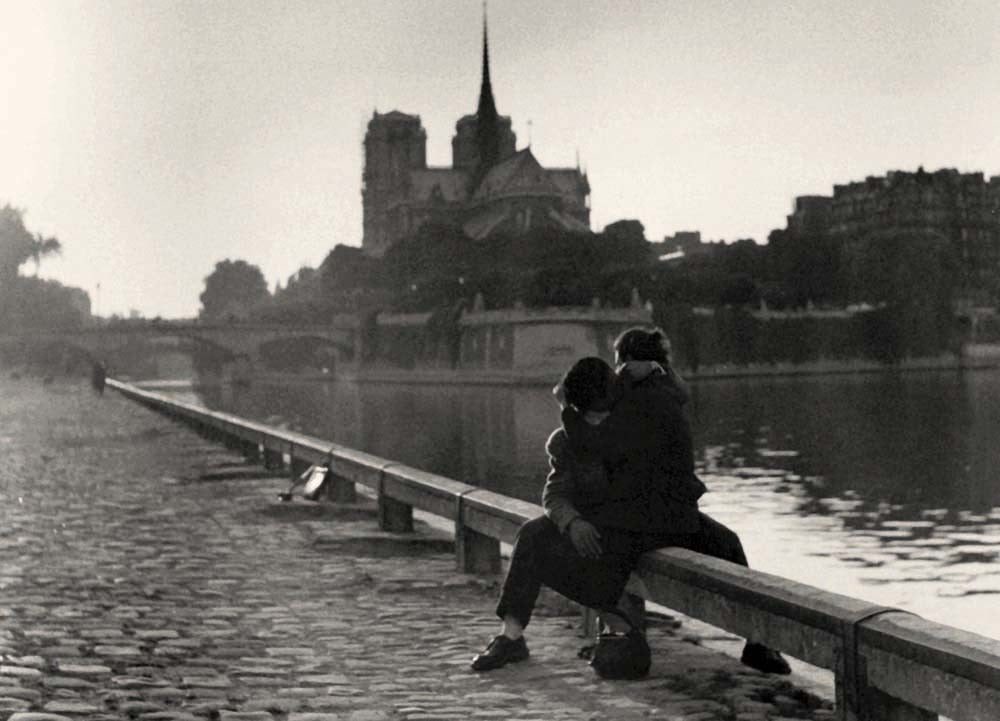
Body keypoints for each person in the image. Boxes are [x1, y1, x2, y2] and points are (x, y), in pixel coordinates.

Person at [471, 329, 790, 675]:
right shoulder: (602, 414)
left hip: (659, 518)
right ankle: (513, 637)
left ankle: (756, 642)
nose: (621, 374)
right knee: (534, 534)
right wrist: (572, 521)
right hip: (620, 520)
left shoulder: (644, 407)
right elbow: (557, 488)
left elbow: (618, 428)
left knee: (726, 545)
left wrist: (569, 407)